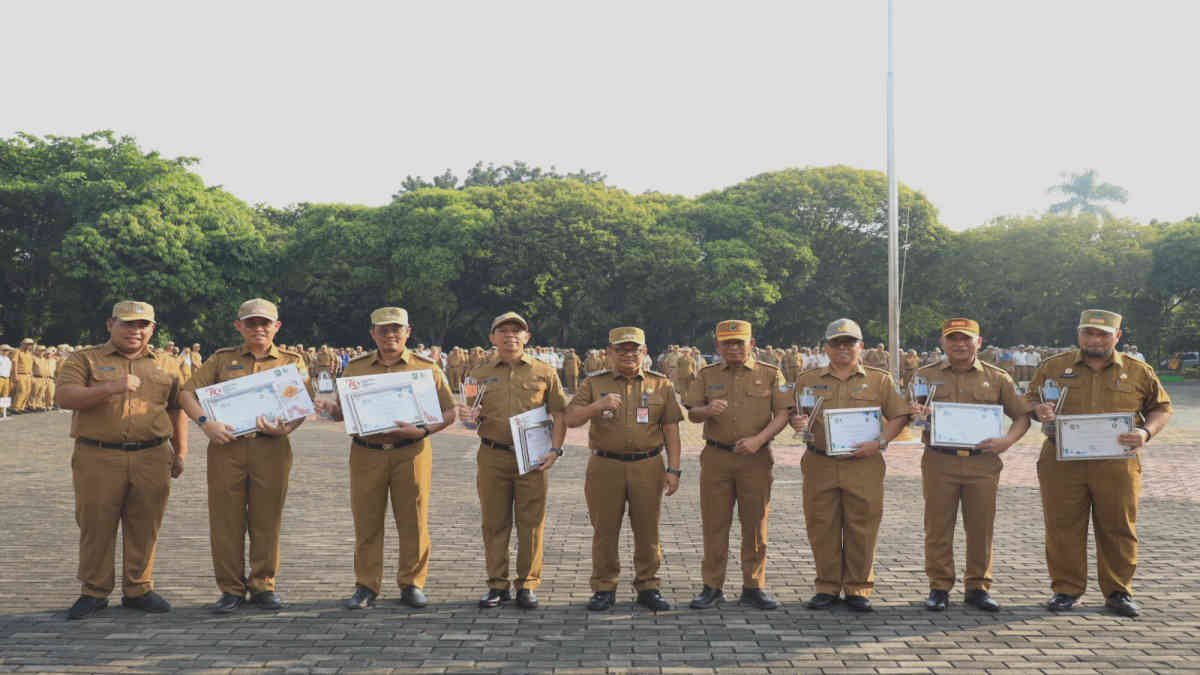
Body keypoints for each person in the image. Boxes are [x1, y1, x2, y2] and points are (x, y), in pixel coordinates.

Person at [1028, 309, 1172, 618]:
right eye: (1089, 333)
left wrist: (1145, 432)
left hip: (1116, 464)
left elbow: (1161, 408)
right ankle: (1066, 590)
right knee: (1062, 526)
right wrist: (1037, 410)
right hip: (1061, 461)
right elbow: (1028, 400)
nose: (1095, 339)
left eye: (1103, 334)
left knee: (1118, 527)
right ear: (1079, 333)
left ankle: (1118, 591)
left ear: (1117, 336)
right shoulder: (1053, 367)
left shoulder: (1138, 371)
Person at [54, 301, 188, 620]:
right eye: (127, 324)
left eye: (143, 325)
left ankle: (138, 588)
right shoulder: (84, 359)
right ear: (110, 325)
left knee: (145, 524)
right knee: (96, 524)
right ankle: (94, 591)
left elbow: (176, 408)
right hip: (98, 455)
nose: (135, 331)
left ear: (152, 329)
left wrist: (180, 451)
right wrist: (112, 388)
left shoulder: (168, 364)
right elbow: (65, 397)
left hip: (153, 455)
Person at [316, 308, 456, 610]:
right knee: (367, 521)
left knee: (414, 521)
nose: (390, 335)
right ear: (372, 334)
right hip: (367, 452)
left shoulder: (426, 368)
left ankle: (412, 583)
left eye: (396, 329)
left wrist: (422, 430)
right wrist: (331, 411)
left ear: (408, 332)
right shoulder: (355, 368)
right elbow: (344, 411)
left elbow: (449, 411)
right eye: (383, 330)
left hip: (411, 452)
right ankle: (366, 585)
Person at [180, 298, 312, 614]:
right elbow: (186, 393)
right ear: (239, 326)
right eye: (251, 322)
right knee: (226, 520)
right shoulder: (221, 359)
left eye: (265, 322)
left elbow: (300, 404)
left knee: (267, 520)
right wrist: (204, 422)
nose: (258, 328)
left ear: (277, 326)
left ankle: (263, 584)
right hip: (227, 447)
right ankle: (230, 589)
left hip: (272, 447)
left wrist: (287, 428)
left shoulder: (292, 362)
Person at [909, 318, 1032, 612]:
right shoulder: (924, 376)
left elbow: (1022, 417)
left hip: (983, 463)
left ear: (978, 342)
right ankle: (939, 586)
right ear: (943, 342)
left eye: (966, 339)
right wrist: (918, 413)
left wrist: (1008, 441)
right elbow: (910, 415)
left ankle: (978, 586)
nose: (960, 344)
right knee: (938, 526)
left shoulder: (998, 377)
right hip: (940, 460)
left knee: (981, 527)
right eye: (953, 339)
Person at [788, 319, 910, 612]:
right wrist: (797, 422)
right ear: (826, 348)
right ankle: (827, 586)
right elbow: (796, 414)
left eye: (849, 343)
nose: (843, 348)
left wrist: (880, 441)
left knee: (862, 525)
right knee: (822, 525)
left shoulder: (880, 380)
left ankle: (858, 587)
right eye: (836, 343)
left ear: (861, 346)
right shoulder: (808, 379)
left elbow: (898, 416)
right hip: (820, 461)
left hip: (864, 463)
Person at [565, 326, 683, 612]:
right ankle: (604, 587)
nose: (628, 354)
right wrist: (598, 406)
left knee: (648, 529)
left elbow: (671, 429)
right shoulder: (594, 384)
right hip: (606, 465)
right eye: (622, 349)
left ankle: (648, 585)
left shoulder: (661, 385)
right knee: (605, 529)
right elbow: (570, 418)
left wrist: (674, 469)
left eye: (635, 349)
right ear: (610, 353)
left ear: (644, 353)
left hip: (648, 465)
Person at [459, 312, 568, 610]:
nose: (510, 336)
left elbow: (560, 413)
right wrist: (467, 419)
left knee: (531, 522)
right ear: (492, 338)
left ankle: (528, 584)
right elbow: (469, 416)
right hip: (493, 455)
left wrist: (556, 450)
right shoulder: (476, 375)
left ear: (527, 337)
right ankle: (497, 584)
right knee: (494, 522)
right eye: (503, 331)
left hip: (532, 458)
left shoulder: (544, 372)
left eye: (517, 331)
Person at [684, 320, 792, 610]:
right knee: (715, 523)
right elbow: (692, 412)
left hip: (755, 458)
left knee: (755, 523)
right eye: (726, 343)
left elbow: (782, 414)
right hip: (716, 457)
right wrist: (706, 410)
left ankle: (754, 586)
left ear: (751, 344)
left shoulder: (770, 374)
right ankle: (712, 586)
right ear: (717, 346)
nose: (733, 348)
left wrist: (759, 440)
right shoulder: (706, 375)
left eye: (739, 343)